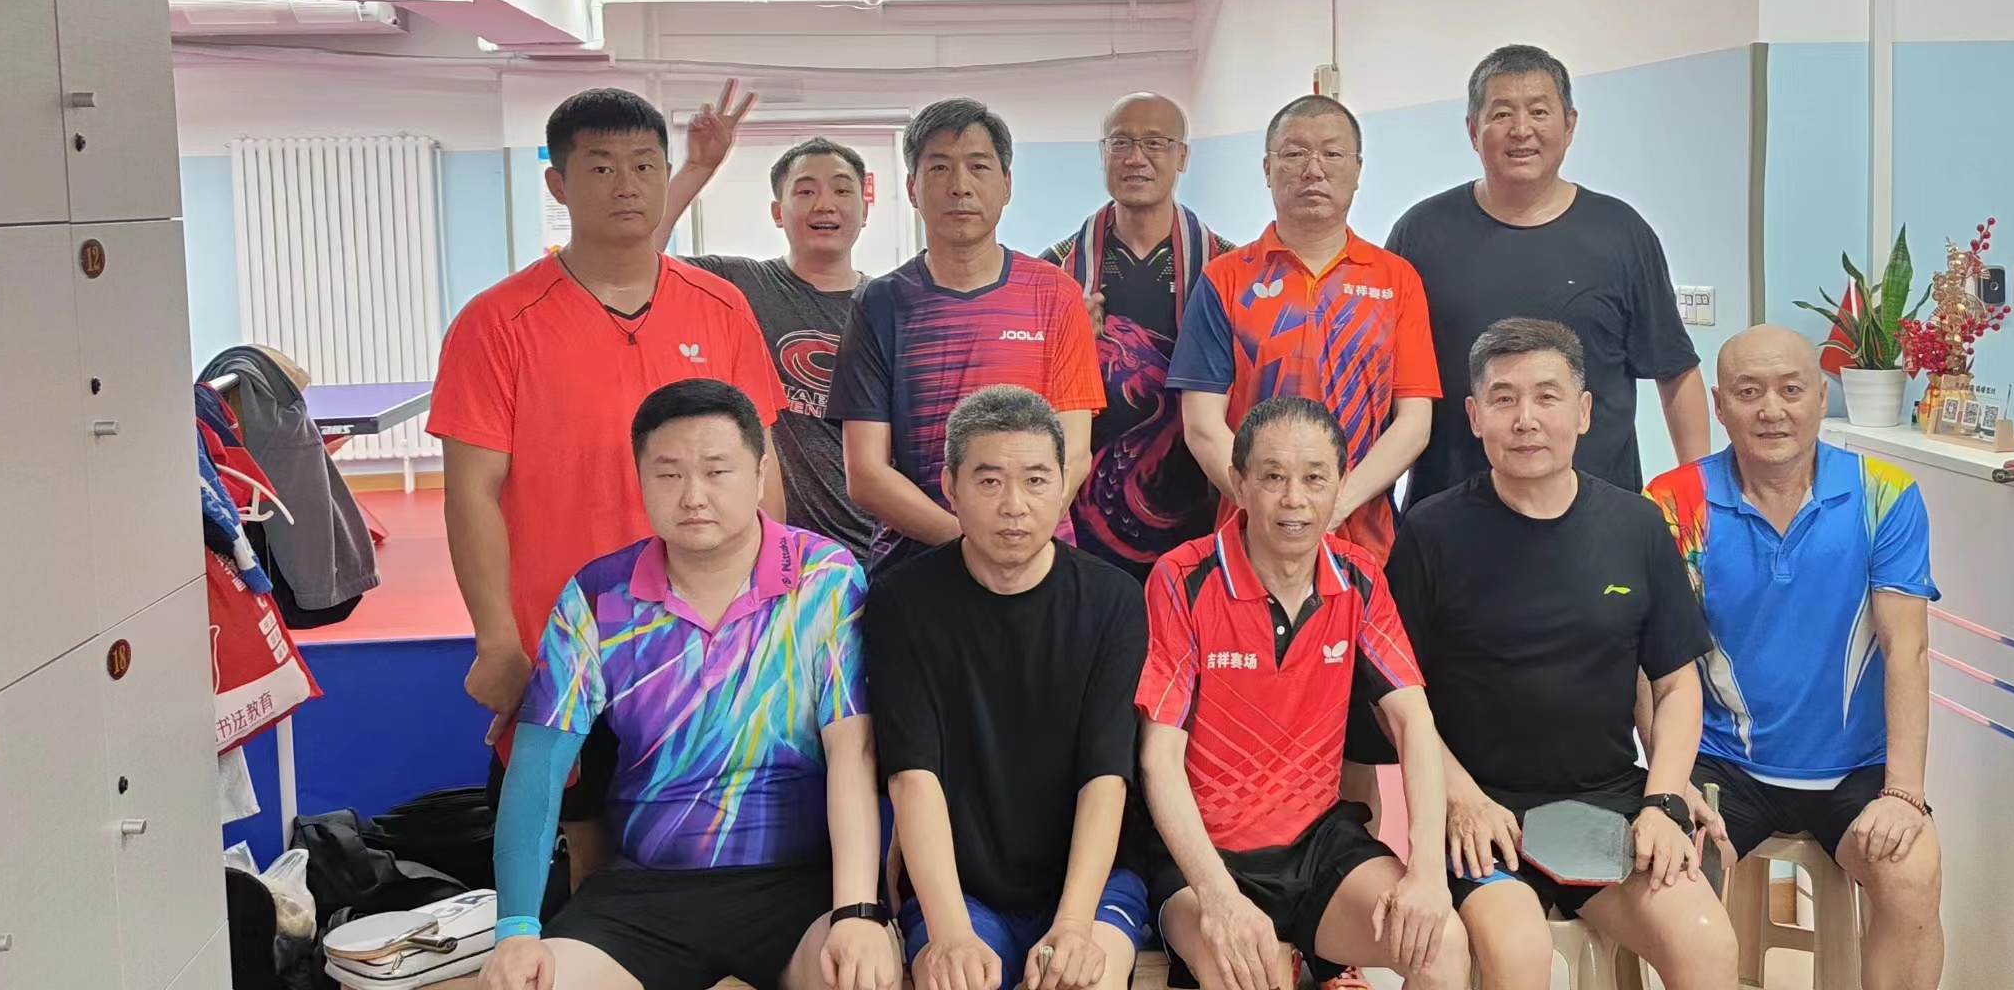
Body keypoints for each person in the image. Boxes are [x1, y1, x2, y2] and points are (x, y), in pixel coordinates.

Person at [433, 86, 788, 876]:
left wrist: (773, 603)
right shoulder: (498, 322)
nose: (626, 185)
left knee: (707, 857)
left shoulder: (720, 308)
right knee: (579, 859)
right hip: (565, 642)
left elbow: (760, 468)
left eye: (643, 165)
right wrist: (496, 638)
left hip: (705, 636)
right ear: (557, 184)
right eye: (600, 167)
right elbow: (471, 493)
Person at [479, 380, 897, 990]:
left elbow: (852, 753)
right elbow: (538, 765)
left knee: (860, 979)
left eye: (716, 471)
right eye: (669, 474)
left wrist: (856, 911)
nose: (693, 496)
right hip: (644, 892)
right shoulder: (598, 596)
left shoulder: (824, 579)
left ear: (760, 474)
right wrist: (516, 930)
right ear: (640, 480)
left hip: (800, 886)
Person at [1384, 319, 1736, 990]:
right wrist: (1459, 796)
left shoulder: (1636, 525)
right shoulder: (1431, 531)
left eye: (1547, 396)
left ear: (1583, 411)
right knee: (1520, 953)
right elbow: (1398, 700)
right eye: (1504, 398)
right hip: (1482, 814)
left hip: (1605, 806)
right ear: (1474, 416)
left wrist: (1663, 799)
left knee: (1706, 943)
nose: (1526, 419)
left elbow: (1676, 685)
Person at [1137, 397, 1466, 990]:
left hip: (1317, 843)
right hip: (1208, 855)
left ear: (1341, 485)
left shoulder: (1359, 577)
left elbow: (1413, 721)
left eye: (1315, 478)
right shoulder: (1183, 579)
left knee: (1440, 944)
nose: (1294, 499)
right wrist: (1219, 898)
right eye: (1273, 477)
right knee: (1247, 973)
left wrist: (1426, 873)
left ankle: (1311, 950)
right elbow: (1159, 757)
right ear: (1239, 483)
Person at [1654, 325, 1944, 990]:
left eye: (1791, 390)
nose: (1772, 410)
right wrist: (1667, 789)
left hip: (1857, 770)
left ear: (1820, 398)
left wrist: (1904, 793)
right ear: (1719, 405)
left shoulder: (1885, 495)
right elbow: (1659, 668)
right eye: (1748, 392)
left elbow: (1907, 648)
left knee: (1912, 875)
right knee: (1668, 882)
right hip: (1722, 766)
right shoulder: (1673, 503)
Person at [867, 386, 1150, 990]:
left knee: (1082, 982)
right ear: (950, 486)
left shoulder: (1114, 601)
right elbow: (912, 777)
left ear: (1063, 484)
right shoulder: (901, 603)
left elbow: (1106, 775)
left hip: (1089, 883)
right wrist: (950, 932)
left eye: (1036, 481)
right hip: (961, 889)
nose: (1014, 506)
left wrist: (1072, 924)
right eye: (990, 481)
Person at [1386, 45, 1709, 511]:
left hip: (1597, 516)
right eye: (1502, 114)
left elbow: (1675, 370)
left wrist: (1696, 498)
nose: (1522, 130)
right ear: (1473, 130)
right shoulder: (1420, 234)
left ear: (1570, 125)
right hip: (1451, 517)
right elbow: (1387, 381)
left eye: (1539, 112)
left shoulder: (1621, 233)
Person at [833, 98, 1106, 570]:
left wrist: (1014, 539)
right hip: (919, 567)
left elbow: (1074, 453)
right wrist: (972, 544)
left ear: (1006, 184)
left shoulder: (1055, 294)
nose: (960, 186)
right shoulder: (880, 303)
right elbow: (866, 474)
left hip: (1037, 566)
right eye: (939, 168)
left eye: (978, 166)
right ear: (912, 188)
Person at [1168, 95, 1437, 558]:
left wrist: (1333, 508)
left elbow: (1413, 423)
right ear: (1267, 168)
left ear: (1357, 169)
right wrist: (1269, 509)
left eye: (1332, 153)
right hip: (1250, 539)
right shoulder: (1225, 279)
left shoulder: (1396, 280)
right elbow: (1202, 425)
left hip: (1365, 544)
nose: (1314, 170)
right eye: (1294, 154)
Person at [665, 115, 883, 552]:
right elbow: (640, 257)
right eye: (805, 191)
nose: (825, 204)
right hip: (775, 550)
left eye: (842, 190)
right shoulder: (741, 286)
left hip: (879, 547)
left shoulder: (888, 304)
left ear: (864, 210)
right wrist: (695, 170)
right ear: (777, 212)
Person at [1043, 93, 1234, 578]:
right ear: (1102, 154)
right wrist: (1065, 341)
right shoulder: (1057, 271)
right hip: (1085, 512)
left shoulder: (1227, 266)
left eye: (1155, 143)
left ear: (1182, 156)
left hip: (1202, 503)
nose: (1136, 158)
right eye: (1121, 143)